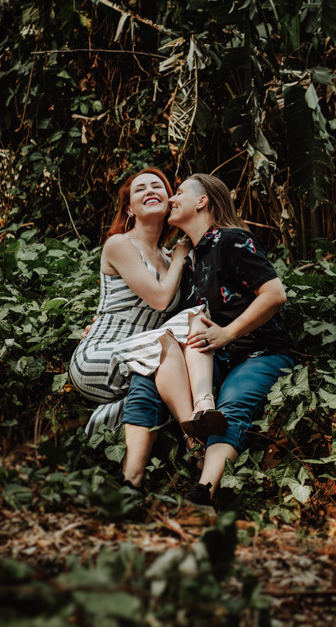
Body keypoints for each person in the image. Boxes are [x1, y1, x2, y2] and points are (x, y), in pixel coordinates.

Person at [170, 173, 296, 508]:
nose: (171, 198)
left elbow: (274, 294)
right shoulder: (187, 261)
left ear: (202, 201)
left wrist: (228, 332)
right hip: (211, 362)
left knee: (233, 404)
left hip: (257, 352)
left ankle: (203, 492)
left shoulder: (232, 240)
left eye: (179, 192)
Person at [68, 167, 202, 451]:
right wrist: (180, 258)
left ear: (169, 200)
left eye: (158, 186)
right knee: (167, 347)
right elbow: (160, 300)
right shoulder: (120, 244)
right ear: (129, 209)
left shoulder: (167, 257)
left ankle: (100, 428)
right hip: (101, 353)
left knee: (169, 383)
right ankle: (194, 438)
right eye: (140, 189)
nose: (150, 191)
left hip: (145, 355)